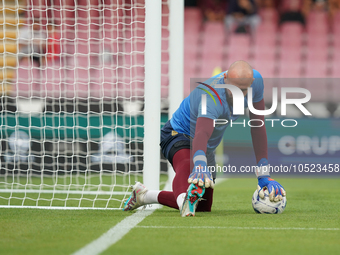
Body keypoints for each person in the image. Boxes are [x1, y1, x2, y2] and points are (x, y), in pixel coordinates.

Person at [123, 60, 286, 217]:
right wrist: (200, 164)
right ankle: (184, 203)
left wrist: (263, 174)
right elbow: (201, 133)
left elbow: (258, 126)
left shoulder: (256, 82)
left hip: (206, 146)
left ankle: (143, 196)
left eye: (244, 90)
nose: (240, 94)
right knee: (188, 166)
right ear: (225, 79)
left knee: (203, 206)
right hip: (179, 133)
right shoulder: (210, 96)